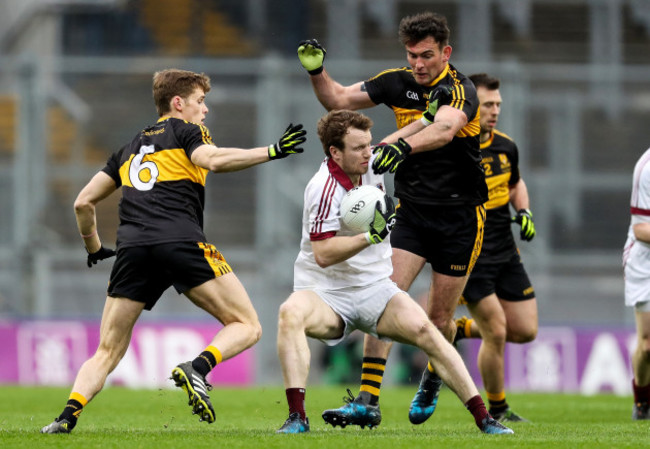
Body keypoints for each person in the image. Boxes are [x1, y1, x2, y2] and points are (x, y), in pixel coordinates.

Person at [40, 68, 306, 434]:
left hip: (132, 250)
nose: (205, 110)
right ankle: (198, 367)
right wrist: (271, 151)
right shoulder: (187, 131)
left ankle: (66, 416)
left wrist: (95, 248)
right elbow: (213, 160)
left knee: (107, 350)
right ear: (178, 103)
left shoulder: (126, 148)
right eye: (200, 101)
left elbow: (83, 203)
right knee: (247, 325)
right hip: (180, 242)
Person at [297, 11, 487, 427]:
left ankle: (434, 378)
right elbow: (338, 100)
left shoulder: (460, 89)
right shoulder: (397, 82)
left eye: (427, 55)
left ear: (446, 53)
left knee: (439, 320)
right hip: (411, 212)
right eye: (412, 55)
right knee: (381, 296)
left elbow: (444, 129)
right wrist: (317, 72)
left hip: (460, 216)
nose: (418, 64)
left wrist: (403, 147)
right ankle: (367, 401)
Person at [275, 109, 512, 435]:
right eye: (358, 147)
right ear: (334, 152)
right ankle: (297, 418)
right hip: (325, 293)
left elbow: (397, 140)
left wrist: (428, 118)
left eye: (368, 145)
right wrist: (369, 236)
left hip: (374, 288)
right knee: (289, 313)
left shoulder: (372, 161)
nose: (368, 153)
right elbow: (324, 254)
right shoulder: (322, 188)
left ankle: (484, 418)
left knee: (430, 333)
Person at [450, 73, 538, 423]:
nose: (495, 110)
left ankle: (457, 329)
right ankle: (497, 408)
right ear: (471, 106)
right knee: (497, 331)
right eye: (488, 104)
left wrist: (525, 210)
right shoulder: (454, 148)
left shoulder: (506, 146)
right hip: (470, 255)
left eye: (498, 104)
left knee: (525, 331)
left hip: (506, 251)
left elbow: (516, 183)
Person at [623, 146, 650, 420]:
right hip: (646, 261)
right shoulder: (647, 168)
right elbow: (641, 229)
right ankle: (642, 401)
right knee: (648, 345)